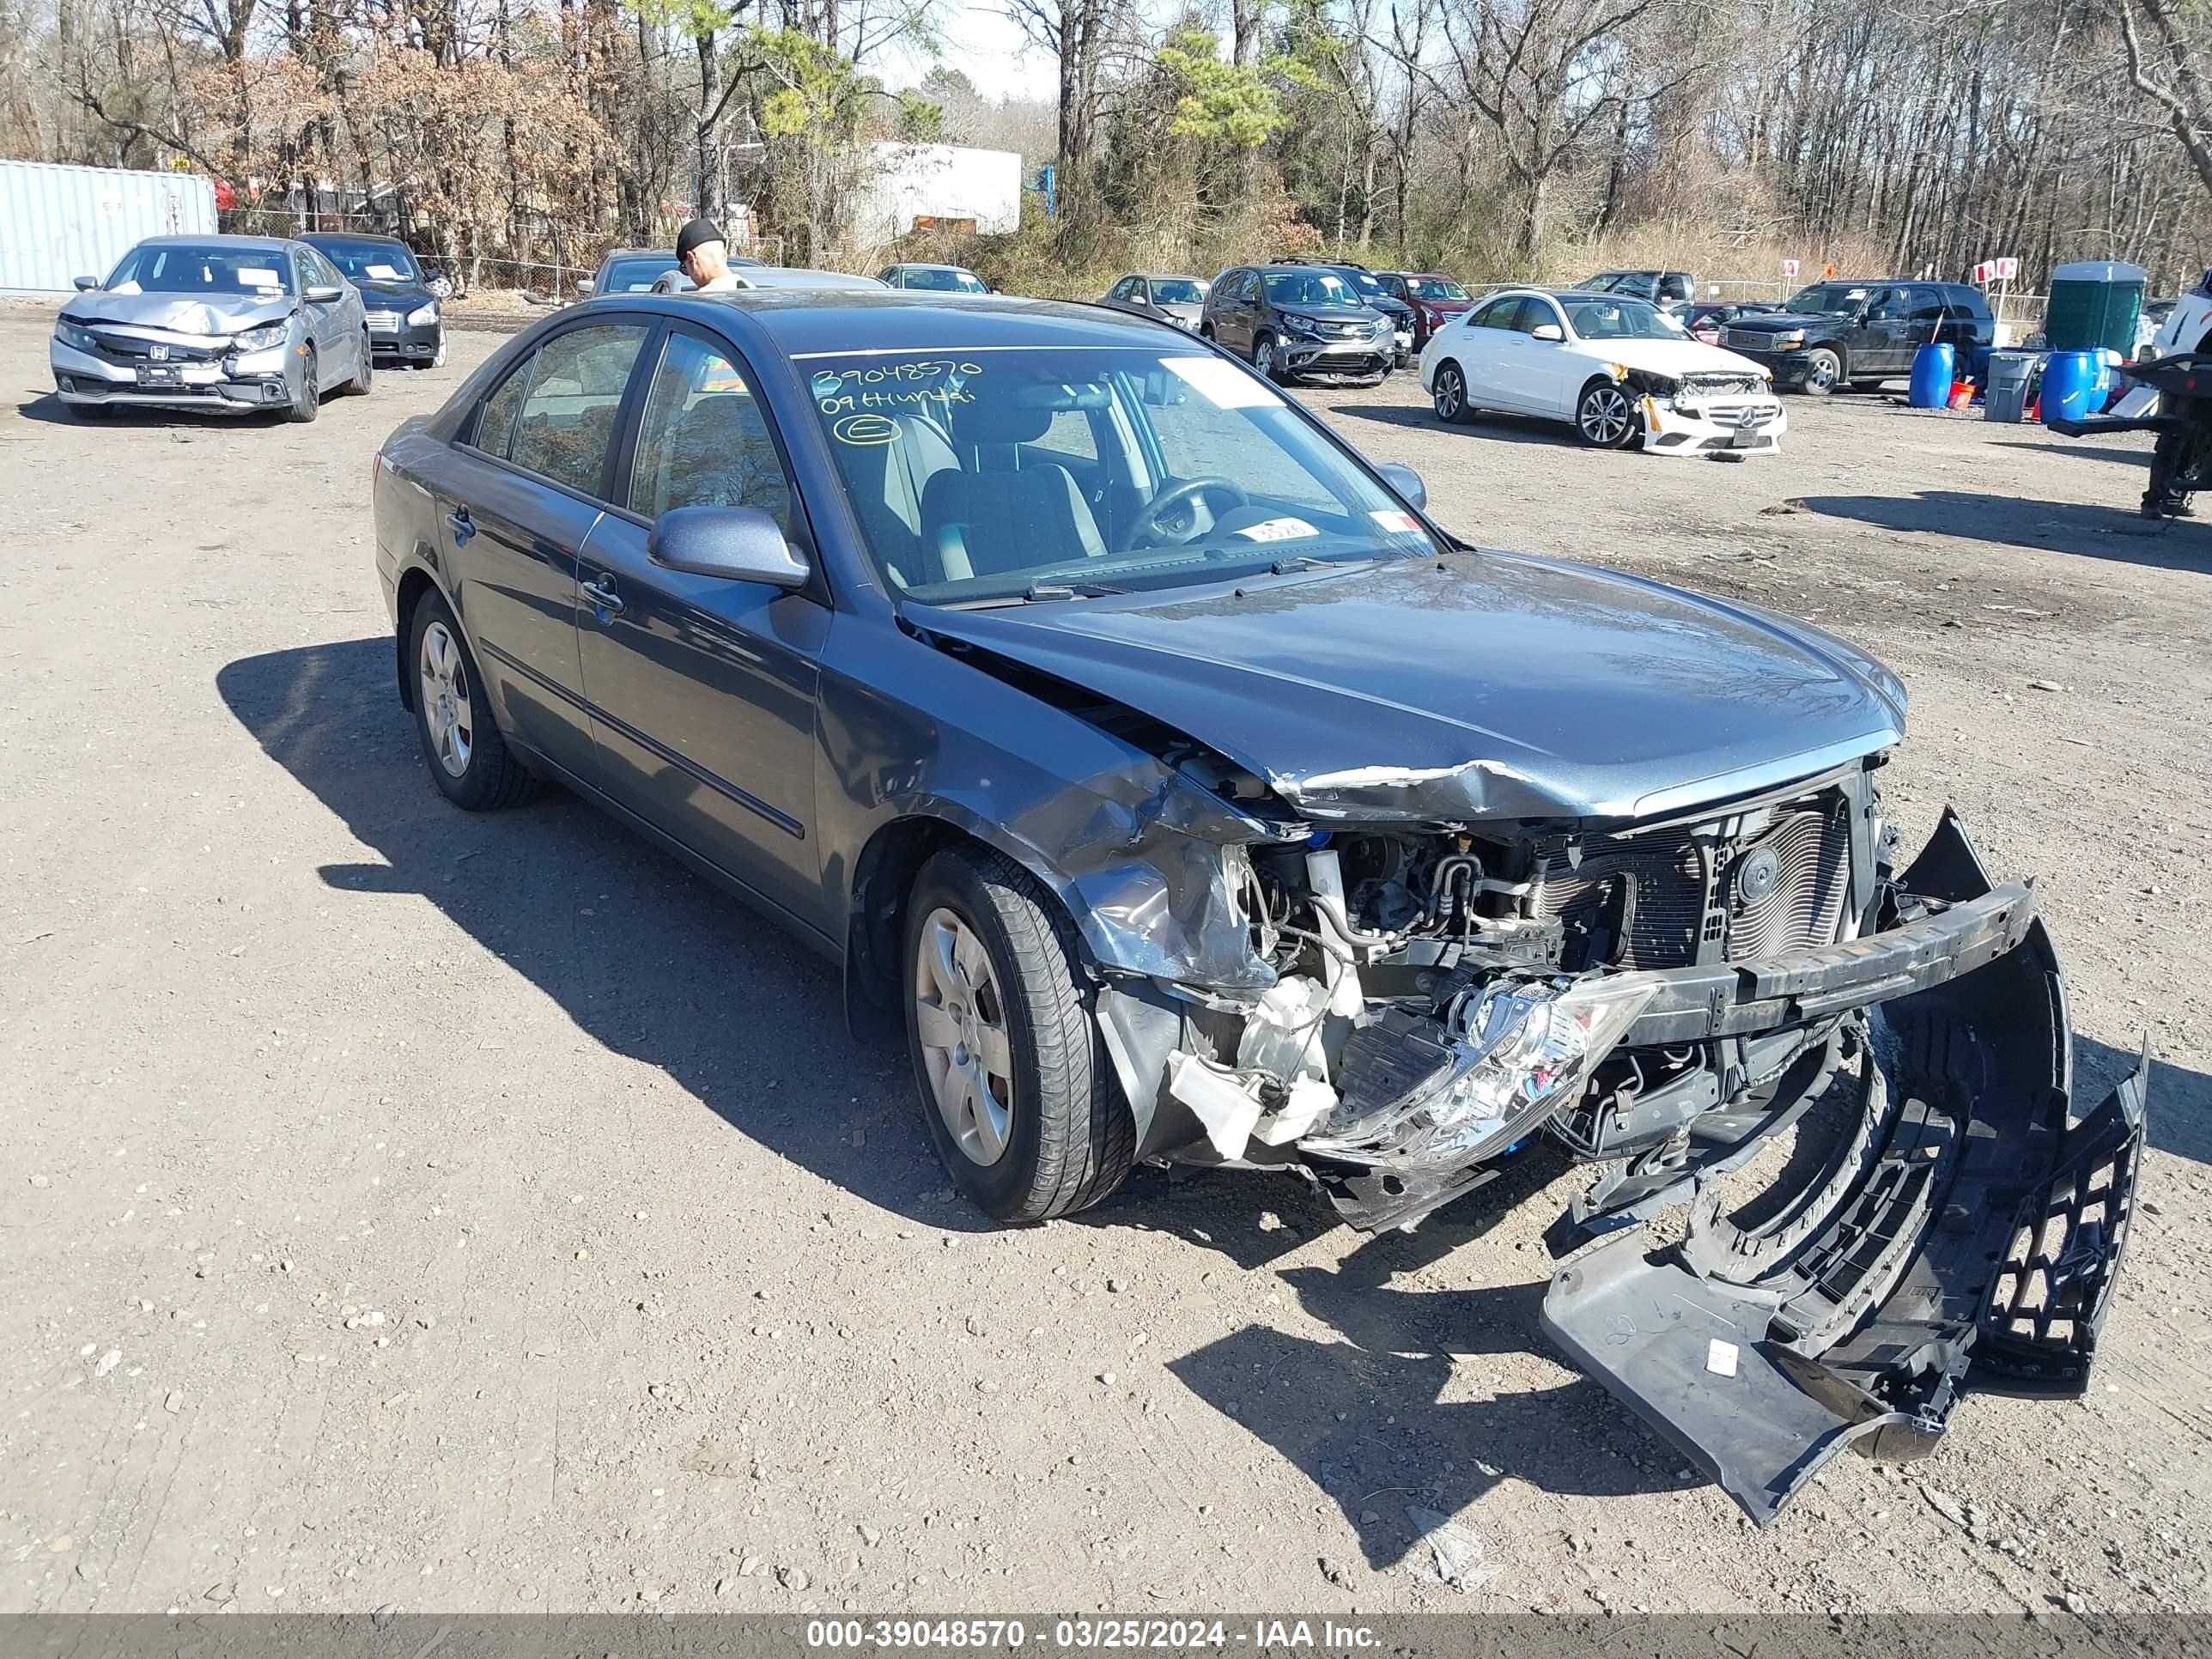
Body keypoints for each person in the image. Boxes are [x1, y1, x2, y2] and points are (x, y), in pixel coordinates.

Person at [675, 218, 741, 293]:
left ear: (692, 260)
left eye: (685, 269)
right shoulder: (754, 293)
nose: (689, 276)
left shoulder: (696, 302)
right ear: (725, 255)